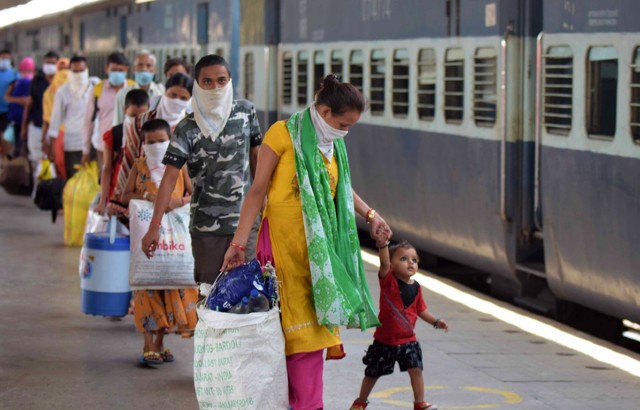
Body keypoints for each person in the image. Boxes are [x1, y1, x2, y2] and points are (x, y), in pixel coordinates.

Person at [219, 74, 391, 410]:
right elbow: (257, 191)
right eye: (344, 124)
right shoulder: (282, 134)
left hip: (320, 255)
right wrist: (239, 244)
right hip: (283, 249)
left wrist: (371, 215)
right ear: (325, 112)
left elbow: (341, 188)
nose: (346, 132)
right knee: (298, 335)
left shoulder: (333, 142)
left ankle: (305, 404)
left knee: (309, 333)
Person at [141, 55, 262, 285]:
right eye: (207, 81)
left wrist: (266, 202)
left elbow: (257, 160)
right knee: (210, 293)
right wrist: (154, 226)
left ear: (229, 81)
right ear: (197, 83)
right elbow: (169, 178)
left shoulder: (246, 113)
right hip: (207, 228)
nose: (215, 87)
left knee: (248, 294)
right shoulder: (187, 128)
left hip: (247, 224)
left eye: (221, 80)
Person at [120, 118, 197, 365]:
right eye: (150, 142)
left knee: (168, 288)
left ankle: (160, 344)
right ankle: (147, 346)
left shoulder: (180, 165)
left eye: (161, 141)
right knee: (148, 288)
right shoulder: (140, 165)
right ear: (143, 144)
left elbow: (191, 192)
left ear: (171, 139)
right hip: (148, 238)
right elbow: (124, 195)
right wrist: (146, 195)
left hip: (173, 241)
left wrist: (178, 202)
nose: (156, 146)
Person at [350, 241, 449, 410]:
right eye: (404, 258)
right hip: (385, 341)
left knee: (416, 370)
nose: (411, 262)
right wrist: (382, 246)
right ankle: (360, 402)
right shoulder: (388, 282)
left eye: (414, 260)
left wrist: (435, 321)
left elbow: (421, 310)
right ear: (392, 265)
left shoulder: (417, 288)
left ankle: (419, 403)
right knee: (372, 373)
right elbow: (383, 263)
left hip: (408, 341)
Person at [113, 72, 194, 205]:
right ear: (164, 92)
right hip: (143, 199)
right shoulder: (141, 120)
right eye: (173, 95)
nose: (176, 101)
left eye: (183, 98)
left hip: (178, 204)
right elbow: (130, 157)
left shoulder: (192, 127)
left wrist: (178, 202)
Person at [96, 89, 150, 215]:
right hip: (117, 196)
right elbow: (107, 169)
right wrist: (102, 201)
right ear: (124, 109)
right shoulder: (115, 134)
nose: (137, 120)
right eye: (132, 115)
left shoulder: (151, 135)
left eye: (141, 116)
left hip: (142, 195)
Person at [82, 52, 134, 171]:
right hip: (103, 147)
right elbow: (88, 122)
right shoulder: (97, 90)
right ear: (107, 68)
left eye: (120, 70)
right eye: (114, 69)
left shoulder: (132, 88)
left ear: (126, 70)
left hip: (128, 146)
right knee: (105, 181)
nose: (117, 73)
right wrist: (86, 150)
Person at [48, 55, 96, 179]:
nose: (79, 74)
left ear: (87, 70)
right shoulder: (63, 92)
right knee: (74, 181)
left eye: (82, 71)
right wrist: (52, 148)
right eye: (75, 71)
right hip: (73, 144)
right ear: (70, 72)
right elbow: (55, 122)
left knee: (95, 182)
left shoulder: (95, 87)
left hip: (94, 143)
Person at [18, 51, 59, 172]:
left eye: (53, 63)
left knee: (54, 160)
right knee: (36, 159)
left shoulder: (62, 81)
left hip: (56, 129)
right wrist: (24, 126)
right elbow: (29, 103)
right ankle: (38, 186)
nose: (50, 65)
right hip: (37, 125)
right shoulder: (37, 81)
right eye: (47, 62)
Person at [112, 50, 164, 126]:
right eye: (140, 65)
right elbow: (118, 124)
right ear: (134, 68)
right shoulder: (122, 94)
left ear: (154, 69)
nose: (144, 69)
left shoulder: (161, 93)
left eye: (148, 65)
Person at [42, 58, 70, 179]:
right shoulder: (49, 93)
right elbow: (47, 120)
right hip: (58, 134)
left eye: (67, 69)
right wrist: (44, 139)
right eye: (61, 69)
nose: (64, 73)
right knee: (60, 164)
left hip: (77, 134)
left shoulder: (81, 90)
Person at [4, 57, 35, 156]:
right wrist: (20, 100)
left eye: (29, 70)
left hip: (27, 120)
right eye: (24, 70)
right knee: (19, 143)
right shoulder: (16, 82)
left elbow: (28, 102)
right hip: (17, 119)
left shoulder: (33, 83)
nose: (26, 73)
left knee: (26, 144)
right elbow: (7, 97)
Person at [0, 49, 19, 149]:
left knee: (5, 136)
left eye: (7, 58)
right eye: (3, 58)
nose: (5, 60)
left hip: (8, 110)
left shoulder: (14, 74)